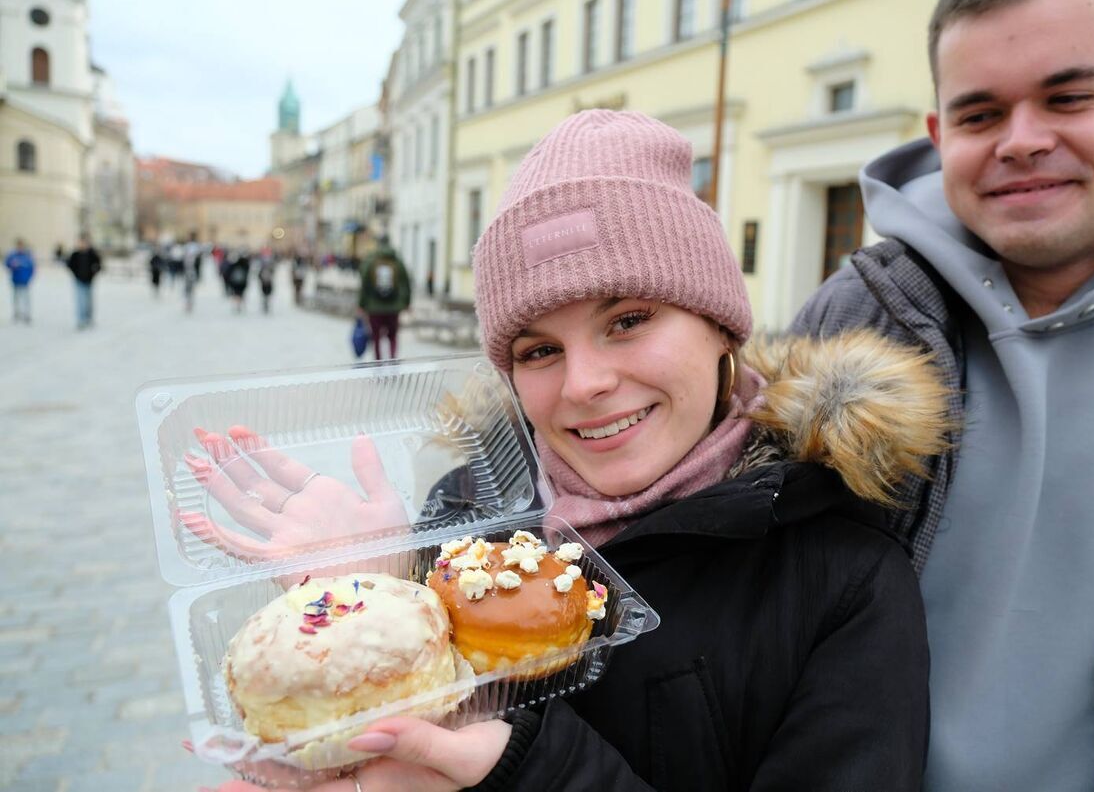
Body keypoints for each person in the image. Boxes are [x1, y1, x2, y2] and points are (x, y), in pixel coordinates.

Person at [203, 110, 953, 792]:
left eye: (628, 319)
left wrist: (523, 773)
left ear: (721, 325)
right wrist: (385, 599)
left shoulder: (844, 581)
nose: (586, 384)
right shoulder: (465, 518)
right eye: (538, 349)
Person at [791, 0, 1094, 790]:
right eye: (981, 113)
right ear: (940, 135)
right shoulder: (849, 321)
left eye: (1069, 96)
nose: (1024, 140)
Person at [357, 235, 411, 360]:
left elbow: (364, 283)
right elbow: (405, 282)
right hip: (394, 306)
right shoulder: (397, 260)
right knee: (392, 336)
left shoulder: (371, 260)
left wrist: (361, 304)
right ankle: (392, 360)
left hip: (374, 307)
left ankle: (378, 363)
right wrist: (406, 302)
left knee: (376, 337)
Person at [65, 233, 101, 329]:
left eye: (84, 242)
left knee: (88, 302)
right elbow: (69, 265)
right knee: (80, 301)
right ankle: (81, 320)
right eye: (81, 242)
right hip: (78, 281)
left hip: (89, 281)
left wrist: (94, 273)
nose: (82, 244)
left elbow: (98, 265)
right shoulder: (75, 254)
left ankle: (89, 318)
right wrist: (75, 274)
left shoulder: (92, 253)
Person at [5, 238, 35, 324]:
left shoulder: (27, 256)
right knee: (16, 298)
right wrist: (12, 265)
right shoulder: (12, 255)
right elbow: (7, 264)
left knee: (26, 298)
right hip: (16, 280)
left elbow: (32, 268)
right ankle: (17, 313)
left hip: (25, 281)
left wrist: (29, 278)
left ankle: (26, 314)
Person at [224, 249, 250, 314]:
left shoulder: (234, 265)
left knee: (236, 294)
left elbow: (228, 273)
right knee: (240, 294)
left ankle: (237, 305)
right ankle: (239, 305)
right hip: (242, 282)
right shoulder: (245, 265)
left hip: (235, 282)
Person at [257, 247, 276, 314]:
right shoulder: (264, 265)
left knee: (267, 293)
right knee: (266, 293)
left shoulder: (269, 265)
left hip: (267, 281)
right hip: (265, 281)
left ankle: (266, 302)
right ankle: (266, 302)